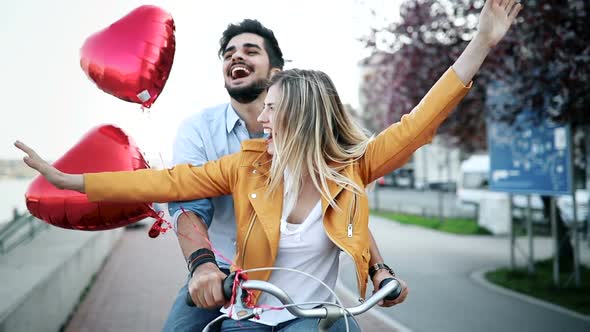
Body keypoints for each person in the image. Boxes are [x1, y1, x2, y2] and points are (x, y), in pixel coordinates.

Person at [15, 1, 521, 330]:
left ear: (298, 114)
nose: (265, 124)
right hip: (244, 302)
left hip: (315, 315)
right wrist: (70, 180)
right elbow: (169, 184)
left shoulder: (351, 167)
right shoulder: (244, 165)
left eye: (275, 112)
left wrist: (482, 42)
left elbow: (420, 123)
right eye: (265, 112)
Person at [164, 18, 396, 331]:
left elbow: (340, 203)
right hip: (220, 269)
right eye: (229, 53)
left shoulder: (304, 137)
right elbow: (186, 199)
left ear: (277, 73)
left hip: (294, 276)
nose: (236, 56)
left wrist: (378, 269)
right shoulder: (198, 129)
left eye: (250, 51)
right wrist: (202, 266)